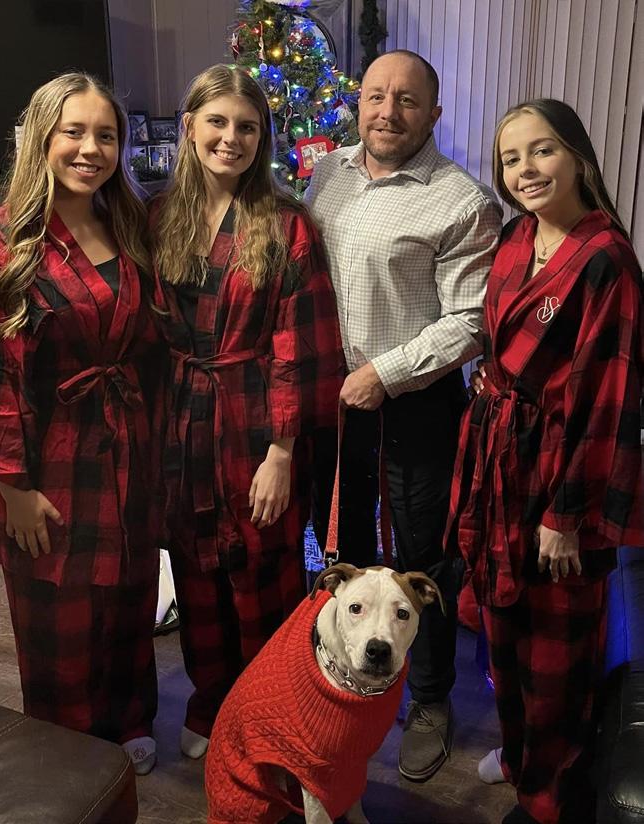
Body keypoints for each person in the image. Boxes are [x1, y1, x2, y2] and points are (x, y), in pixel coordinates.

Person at [305, 49, 502, 782]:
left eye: (408, 100)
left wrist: (382, 375)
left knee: (421, 560)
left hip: (414, 406)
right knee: (346, 548)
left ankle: (427, 699)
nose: (388, 112)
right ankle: (347, 680)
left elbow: (469, 321)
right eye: (375, 96)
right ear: (358, 103)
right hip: (333, 404)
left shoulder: (462, 201)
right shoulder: (327, 173)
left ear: (434, 114)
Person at [445, 99, 644, 824]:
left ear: (578, 158)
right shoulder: (515, 236)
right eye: (510, 158)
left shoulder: (606, 261)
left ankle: (548, 797)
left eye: (542, 150)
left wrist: (566, 517)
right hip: (499, 458)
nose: (525, 169)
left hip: (561, 474)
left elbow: (607, 404)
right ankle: (519, 751)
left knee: (555, 647)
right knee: (505, 625)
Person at [0, 73, 164, 775]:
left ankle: (130, 716)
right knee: (59, 610)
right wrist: (11, 486)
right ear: (41, 139)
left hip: (128, 447)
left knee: (130, 590)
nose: (90, 149)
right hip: (47, 461)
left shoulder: (129, 225)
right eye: (73, 132)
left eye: (105, 135)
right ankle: (67, 747)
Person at [150, 64, 344, 759]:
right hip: (180, 424)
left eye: (247, 127)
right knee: (195, 565)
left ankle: (268, 711)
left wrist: (281, 452)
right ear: (189, 127)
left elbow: (298, 348)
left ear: (263, 138)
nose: (230, 138)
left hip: (256, 424)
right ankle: (211, 700)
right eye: (217, 122)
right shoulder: (157, 216)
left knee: (263, 569)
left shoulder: (287, 225)